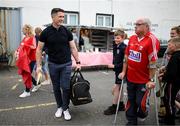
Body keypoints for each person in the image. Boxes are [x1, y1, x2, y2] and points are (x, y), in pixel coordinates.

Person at [36, 8, 81, 121]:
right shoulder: (46, 32)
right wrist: (38, 66)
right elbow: (39, 49)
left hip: (66, 64)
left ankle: (65, 108)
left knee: (65, 87)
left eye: (63, 16)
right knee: (56, 88)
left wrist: (78, 62)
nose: (62, 19)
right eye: (60, 16)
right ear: (53, 17)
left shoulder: (66, 31)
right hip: (53, 64)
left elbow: (73, 47)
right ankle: (59, 107)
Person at [119, 18, 160, 125]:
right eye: (135, 24)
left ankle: (143, 113)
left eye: (138, 24)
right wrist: (123, 72)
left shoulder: (151, 40)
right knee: (130, 100)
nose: (135, 26)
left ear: (146, 26)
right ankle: (131, 121)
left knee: (140, 102)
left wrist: (151, 79)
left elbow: (153, 62)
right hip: (130, 77)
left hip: (144, 79)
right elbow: (126, 57)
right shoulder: (132, 38)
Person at [158, 26, 180, 118]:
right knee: (168, 98)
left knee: (171, 99)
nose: (171, 36)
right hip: (170, 77)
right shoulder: (174, 50)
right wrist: (163, 69)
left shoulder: (175, 55)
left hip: (171, 81)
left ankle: (170, 118)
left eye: (173, 34)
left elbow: (173, 71)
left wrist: (164, 76)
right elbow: (165, 60)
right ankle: (168, 113)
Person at [104, 29, 126, 115]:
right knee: (120, 87)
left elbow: (125, 62)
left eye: (118, 38)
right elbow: (115, 57)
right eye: (115, 38)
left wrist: (115, 66)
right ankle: (121, 104)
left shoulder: (124, 48)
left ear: (123, 38)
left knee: (117, 88)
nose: (116, 39)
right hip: (117, 70)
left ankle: (114, 106)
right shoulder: (116, 46)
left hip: (121, 71)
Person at [15, 24, 37, 98]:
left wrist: (25, 45)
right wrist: (17, 50)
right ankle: (36, 83)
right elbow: (21, 46)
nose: (22, 31)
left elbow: (34, 47)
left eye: (23, 29)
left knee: (27, 73)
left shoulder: (32, 38)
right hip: (25, 59)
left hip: (31, 59)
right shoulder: (24, 38)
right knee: (26, 73)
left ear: (27, 30)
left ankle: (27, 91)